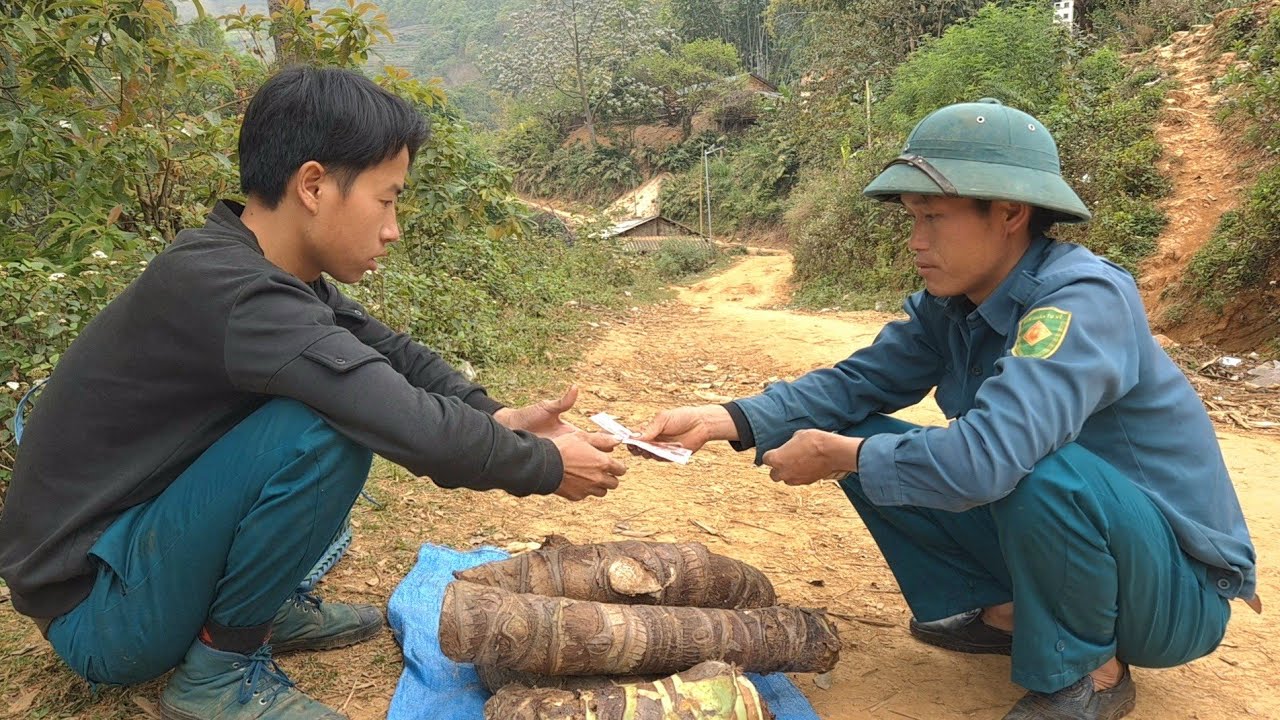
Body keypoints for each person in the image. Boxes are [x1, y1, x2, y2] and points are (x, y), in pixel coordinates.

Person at [0, 66, 627, 719]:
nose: (394, 228)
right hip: (99, 613)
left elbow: (392, 353)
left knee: (330, 406)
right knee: (325, 427)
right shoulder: (234, 292)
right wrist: (548, 466)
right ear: (313, 185)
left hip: (127, 561)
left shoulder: (258, 271)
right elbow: (403, 419)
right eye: (387, 200)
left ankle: (260, 610)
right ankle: (217, 674)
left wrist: (497, 415)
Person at [639, 99, 1258, 720]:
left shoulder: (1080, 299)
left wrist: (844, 455)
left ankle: (1090, 671)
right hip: (1095, 556)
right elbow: (857, 384)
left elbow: (987, 462)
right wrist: (726, 418)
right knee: (855, 430)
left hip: (1173, 592)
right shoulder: (953, 304)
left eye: (933, 217)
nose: (916, 241)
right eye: (912, 219)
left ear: (1011, 213)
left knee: (1036, 468)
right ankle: (1011, 610)